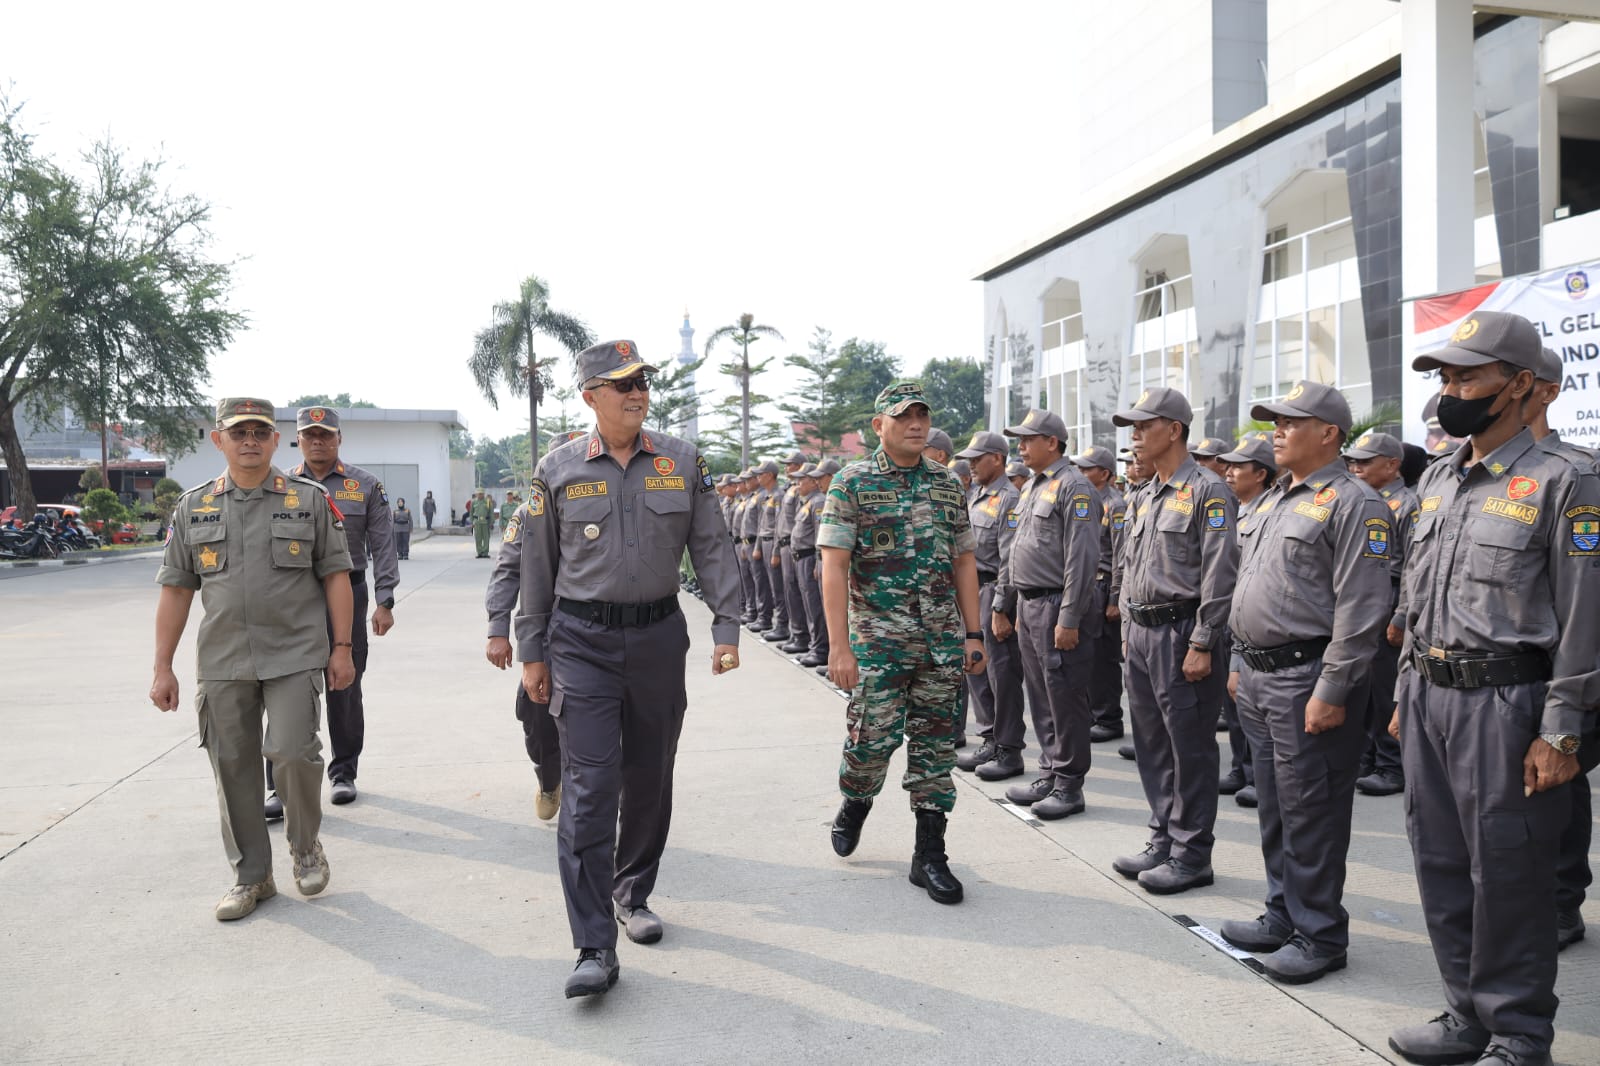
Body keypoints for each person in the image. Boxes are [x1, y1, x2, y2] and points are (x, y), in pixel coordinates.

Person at [1387, 313, 1600, 1066]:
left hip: (1508, 706)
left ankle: (1518, 1036)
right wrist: (1404, 690)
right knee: (1440, 862)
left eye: (1467, 376)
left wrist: (1564, 731)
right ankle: (1464, 1015)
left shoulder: (1566, 479)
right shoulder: (1440, 477)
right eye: (1445, 378)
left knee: (1507, 873)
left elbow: (1586, 618)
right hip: (1429, 696)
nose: (1452, 391)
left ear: (1518, 385)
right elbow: (1420, 593)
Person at [512, 339, 741, 999]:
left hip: (658, 640)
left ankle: (632, 892)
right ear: (590, 395)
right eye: (622, 384)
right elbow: (536, 566)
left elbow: (713, 546)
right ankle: (592, 946)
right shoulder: (555, 470)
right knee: (589, 788)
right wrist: (533, 650)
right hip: (579, 642)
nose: (637, 393)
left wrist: (726, 627)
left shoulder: (682, 461)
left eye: (642, 382)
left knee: (649, 774)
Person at [149, 397, 354, 920]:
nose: (249, 441)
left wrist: (343, 648)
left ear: (274, 439)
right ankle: (251, 877)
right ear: (218, 439)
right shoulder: (193, 507)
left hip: (293, 655)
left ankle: (305, 847)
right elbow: (176, 590)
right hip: (223, 661)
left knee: (292, 753)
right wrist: (162, 666)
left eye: (260, 432)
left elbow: (336, 575)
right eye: (238, 432)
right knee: (233, 767)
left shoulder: (307, 500)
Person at [1225, 380, 1392, 984]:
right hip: (1260, 675)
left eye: (1291, 421)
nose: (1277, 429)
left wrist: (1333, 688)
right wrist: (1239, 663)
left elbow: (1363, 608)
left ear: (1328, 433)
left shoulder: (1355, 502)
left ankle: (1319, 934)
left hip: (1307, 678)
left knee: (1313, 812)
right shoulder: (1272, 501)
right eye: (1275, 420)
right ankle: (1282, 914)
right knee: (1275, 807)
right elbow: (1249, 590)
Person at [819, 380, 984, 904]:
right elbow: (833, 567)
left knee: (935, 751)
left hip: (939, 644)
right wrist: (839, 647)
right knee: (871, 743)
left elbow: (963, 561)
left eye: (922, 415)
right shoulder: (851, 483)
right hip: (877, 645)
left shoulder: (946, 484)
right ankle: (855, 802)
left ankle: (930, 855)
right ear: (879, 425)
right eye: (903, 416)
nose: (916, 424)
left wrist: (973, 633)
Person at [1109, 388, 1237, 894]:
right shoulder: (1143, 494)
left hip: (1182, 631)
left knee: (1190, 747)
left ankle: (1191, 853)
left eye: (1144, 426)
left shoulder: (1209, 489)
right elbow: (1128, 567)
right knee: (1151, 744)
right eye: (1132, 427)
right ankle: (1162, 836)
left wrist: (1204, 641)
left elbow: (1220, 570)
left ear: (1175, 429)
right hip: (1140, 632)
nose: (1135, 435)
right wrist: (1125, 631)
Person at [262, 405, 399, 812]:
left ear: (339, 439)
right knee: (286, 688)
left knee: (345, 687)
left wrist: (385, 599)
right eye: (310, 435)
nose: (318, 441)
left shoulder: (365, 486)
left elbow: (383, 545)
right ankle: (280, 785)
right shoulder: (279, 485)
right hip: (293, 599)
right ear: (298, 440)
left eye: (326, 435)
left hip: (349, 595)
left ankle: (343, 772)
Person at [994, 407, 1102, 820]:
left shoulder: (1075, 488)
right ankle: (1050, 772)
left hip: (1059, 602)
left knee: (1065, 696)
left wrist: (1069, 618)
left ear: (1053, 442)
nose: (1020, 446)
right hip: (1032, 602)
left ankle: (1070, 784)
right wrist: (1013, 602)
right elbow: (1017, 549)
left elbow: (1082, 560)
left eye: (1028, 438)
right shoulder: (1035, 487)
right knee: (1040, 694)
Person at [1525, 345, 1598, 954]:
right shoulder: (1464, 474)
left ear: (1544, 390)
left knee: (1560, 786)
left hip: (1561, 666)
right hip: (1496, 670)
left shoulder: (1574, 472)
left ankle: (1561, 903)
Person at [1341, 431, 1419, 798]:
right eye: (1352, 461)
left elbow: (1414, 568)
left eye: (1364, 461)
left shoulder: (1407, 505)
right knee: (1363, 687)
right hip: (1361, 596)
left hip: (1389, 597)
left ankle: (1392, 764)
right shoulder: (1359, 502)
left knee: (1387, 689)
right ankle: (1367, 757)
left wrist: (1402, 616)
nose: (1355, 468)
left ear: (1392, 465)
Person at [486, 486, 562, 823]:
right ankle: (550, 781)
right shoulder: (528, 514)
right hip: (545, 630)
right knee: (537, 715)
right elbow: (507, 571)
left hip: (601, 629)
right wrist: (497, 628)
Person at [952, 430, 1025, 781]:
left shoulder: (1010, 498)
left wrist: (1000, 607)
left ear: (997, 458)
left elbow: (1010, 557)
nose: (971, 465)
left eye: (977, 458)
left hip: (994, 591)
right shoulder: (977, 495)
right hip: (972, 591)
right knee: (977, 670)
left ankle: (1009, 749)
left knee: (1002, 675)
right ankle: (989, 738)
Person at [1217, 433, 1277, 809]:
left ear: (1261, 474)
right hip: (1229, 618)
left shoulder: (1271, 509)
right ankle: (1241, 766)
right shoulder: (1234, 510)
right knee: (1233, 702)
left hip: (1258, 627)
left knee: (1254, 707)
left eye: (1239, 467)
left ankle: (1257, 774)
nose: (1229, 472)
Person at [1073, 445, 1128, 744]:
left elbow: (1121, 555)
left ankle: (1108, 718)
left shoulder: (1114, 504)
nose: (1081, 473)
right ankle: (1094, 713)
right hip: (1088, 585)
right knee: (1088, 658)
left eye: (1087, 468)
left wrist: (1115, 598)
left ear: (1104, 474)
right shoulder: (1084, 499)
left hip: (1105, 583)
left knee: (1104, 660)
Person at [806, 460, 842, 677]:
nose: (817, 481)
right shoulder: (826, 499)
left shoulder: (836, 500)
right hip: (823, 560)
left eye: (821, 477)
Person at [774, 450, 809, 651]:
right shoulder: (789, 488)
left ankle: (803, 638)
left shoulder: (799, 491)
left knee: (800, 593)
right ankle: (796, 634)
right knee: (789, 592)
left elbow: (800, 521)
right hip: (786, 545)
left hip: (796, 547)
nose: (787, 468)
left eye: (790, 464)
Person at [470, 490, 492, 557]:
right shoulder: (473, 502)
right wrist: (472, 522)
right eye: (479, 494)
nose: (480, 495)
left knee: (486, 538)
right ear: (477, 494)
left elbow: (490, 512)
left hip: (485, 522)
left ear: (484, 494)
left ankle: (485, 553)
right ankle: (479, 552)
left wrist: (491, 522)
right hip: (477, 522)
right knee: (478, 538)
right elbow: (471, 513)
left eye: (481, 494)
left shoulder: (487, 501)